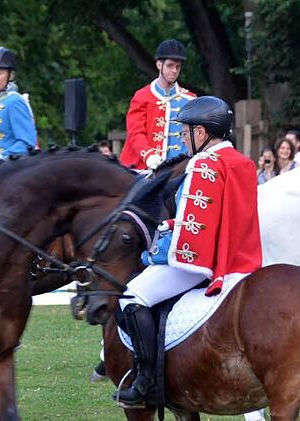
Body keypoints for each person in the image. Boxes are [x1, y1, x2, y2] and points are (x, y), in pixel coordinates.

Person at [112, 96, 262, 407]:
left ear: (203, 132)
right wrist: (172, 222)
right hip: (242, 260)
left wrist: (154, 252)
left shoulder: (203, 164)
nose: (182, 137)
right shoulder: (241, 161)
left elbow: (192, 233)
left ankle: (146, 381)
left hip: (203, 263)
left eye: (186, 131)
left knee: (130, 297)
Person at [119, 39, 196, 170]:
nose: (174, 70)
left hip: (179, 169)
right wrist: (149, 155)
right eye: (170, 65)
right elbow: (135, 132)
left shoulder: (190, 99)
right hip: (144, 167)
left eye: (178, 67)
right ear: (159, 65)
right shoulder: (142, 96)